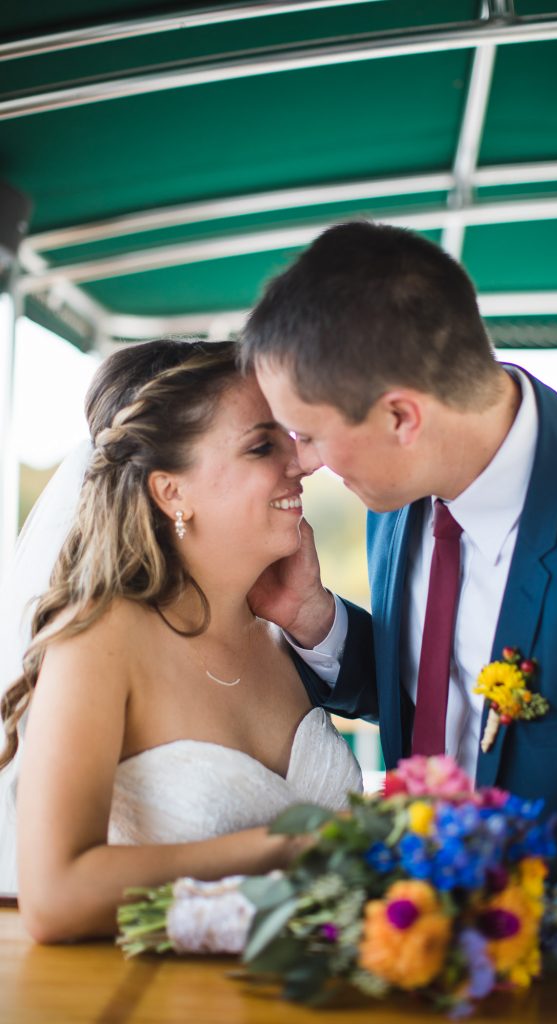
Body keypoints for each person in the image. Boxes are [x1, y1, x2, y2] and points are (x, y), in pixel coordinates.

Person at [240, 220, 557, 958]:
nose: (303, 464)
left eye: (307, 436)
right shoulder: (398, 489)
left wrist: (469, 926)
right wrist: (316, 622)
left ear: (400, 416)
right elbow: (443, 689)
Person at [0, 339, 361, 941]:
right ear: (172, 491)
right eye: (261, 445)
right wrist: (282, 846)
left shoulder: (278, 633)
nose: (299, 463)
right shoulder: (99, 642)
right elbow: (55, 895)